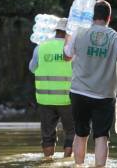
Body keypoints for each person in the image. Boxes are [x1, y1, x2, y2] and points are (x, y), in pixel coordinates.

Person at [64, 0, 117, 167]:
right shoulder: (116, 37)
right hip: (104, 95)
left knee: (80, 134)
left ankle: (78, 165)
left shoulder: (79, 33)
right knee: (102, 136)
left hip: (79, 92)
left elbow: (66, 56)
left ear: (92, 16)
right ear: (109, 17)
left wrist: (68, 37)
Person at [29, 18, 74, 158]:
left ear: (56, 31)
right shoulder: (73, 49)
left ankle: (47, 162)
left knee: (47, 135)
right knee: (72, 132)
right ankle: (67, 163)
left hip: (45, 99)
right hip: (68, 100)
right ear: (69, 32)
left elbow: (32, 68)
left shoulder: (40, 48)